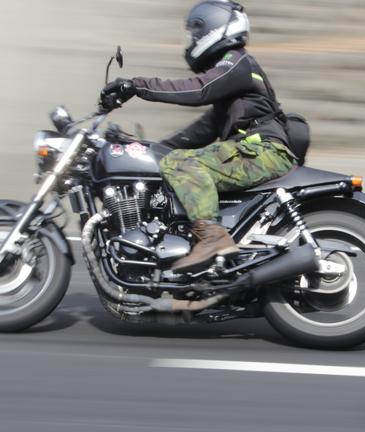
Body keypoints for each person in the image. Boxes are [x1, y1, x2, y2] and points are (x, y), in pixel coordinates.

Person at [99, 0, 296, 273]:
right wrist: (151, 149)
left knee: (179, 163)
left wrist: (137, 86)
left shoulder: (236, 63)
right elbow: (205, 129)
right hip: (255, 152)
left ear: (215, 28)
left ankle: (212, 237)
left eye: (196, 32)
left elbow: (199, 89)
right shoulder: (233, 80)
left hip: (263, 152)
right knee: (171, 160)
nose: (192, 40)